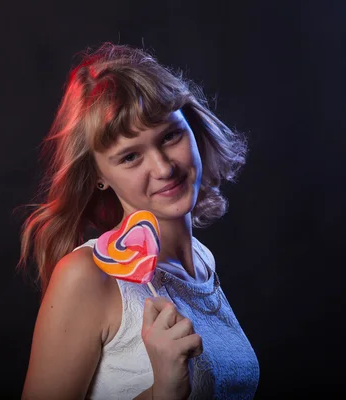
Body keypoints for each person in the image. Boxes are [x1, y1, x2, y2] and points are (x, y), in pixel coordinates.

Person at [18, 42, 259, 399]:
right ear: (99, 175)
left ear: (191, 127)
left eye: (170, 136)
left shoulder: (203, 262)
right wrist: (163, 389)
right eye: (130, 157)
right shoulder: (87, 276)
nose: (163, 168)